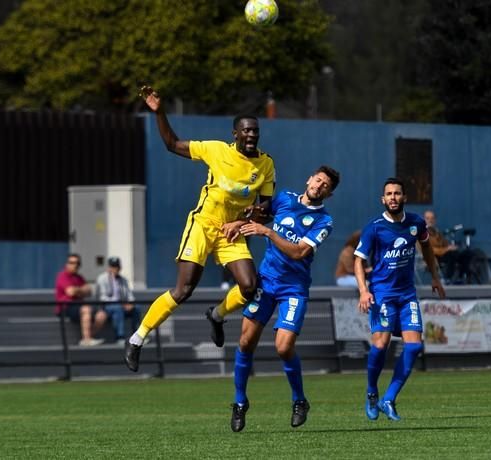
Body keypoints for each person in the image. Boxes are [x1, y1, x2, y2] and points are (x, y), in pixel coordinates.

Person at [125, 86, 275, 372]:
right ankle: (137, 338)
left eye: (255, 131)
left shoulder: (266, 164)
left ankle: (217, 316)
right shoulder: (216, 150)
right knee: (184, 290)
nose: (252, 135)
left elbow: (265, 209)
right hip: (203, 225)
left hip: (232, 231)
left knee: (249, 286)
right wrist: (160, 112)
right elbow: (172, 144)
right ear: (235, 134)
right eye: (246, 131)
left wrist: (246, 219)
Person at [228, 165, 340, 432]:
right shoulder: (284, 199)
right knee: (245, 342)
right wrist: (239, 223)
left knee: (283, 347)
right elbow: (259, 219)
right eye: (318, 180)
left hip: (294, 288)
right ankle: (240, 402)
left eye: (326, 185)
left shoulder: (324, 221)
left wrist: (268, 233)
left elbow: (300, 252)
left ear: (330, 193)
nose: (319, 186)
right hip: (266, 282)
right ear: (309, 179)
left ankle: (299, 400)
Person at [354, 177, 445, 421]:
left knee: (415, 346)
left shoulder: (416, 223)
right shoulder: (374, 227)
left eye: (397, 193)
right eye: (389, 194)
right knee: (380, 346)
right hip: (382, 294)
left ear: (404, 197)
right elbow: (358, 261)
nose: (393, 197)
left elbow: (426, 247)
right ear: (382, 199)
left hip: (407, 294)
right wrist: (364, 290)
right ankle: (372, 392)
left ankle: (389, 398)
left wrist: (434, 277)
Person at [54, 253, 108, 346]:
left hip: (79, 305)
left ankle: (87, 337)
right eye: (71, 262)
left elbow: (89, 291)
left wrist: (77, 290)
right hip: (66, 307)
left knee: (102, 314)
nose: (74, 265)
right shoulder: (62, 276)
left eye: (77, 263)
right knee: (86, 309)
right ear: (66, 264)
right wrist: (81, 290)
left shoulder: (79, 277)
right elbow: (71, 292)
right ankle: (87, 340)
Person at [96, 257, 141, 343]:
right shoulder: (102, 278)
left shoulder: (123, 280)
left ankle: (137, 335)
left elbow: (129, 295)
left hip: (122, 305)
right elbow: (102, 297)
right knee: (118, 308)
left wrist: (131, 303)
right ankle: (120, 336)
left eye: (117, 266)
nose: (115, 269)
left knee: (137, 308)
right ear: (108, 267)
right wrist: (121, 304)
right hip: (107, 306)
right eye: (113, 266)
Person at [420, 210, 457, 281]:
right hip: (432, 257)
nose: (430, 220)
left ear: (435, 220)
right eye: (428, 218)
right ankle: (447, 278)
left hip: (442, 254)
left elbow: (445, 244)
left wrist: (451, 247)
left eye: (432, 218)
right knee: (452, 255)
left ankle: (463, 277)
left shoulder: (436, 232)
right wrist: (447, 249)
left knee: (465, 254)